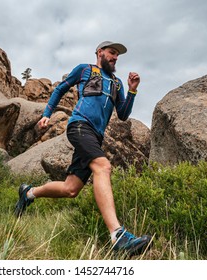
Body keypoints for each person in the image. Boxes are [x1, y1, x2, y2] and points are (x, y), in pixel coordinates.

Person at [14, 41, 152, 256]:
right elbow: (61, 88)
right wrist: (46, 114)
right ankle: (118, 236)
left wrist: (132, 91)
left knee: (71, 189)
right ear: (100, 52)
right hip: (80, 125)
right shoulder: (85, 69)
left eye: (118, 55)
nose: (115, 57)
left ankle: (29, 193)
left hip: (95, 137)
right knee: (103, 167)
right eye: (112, 53)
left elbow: (123, 114)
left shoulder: (117, 83)